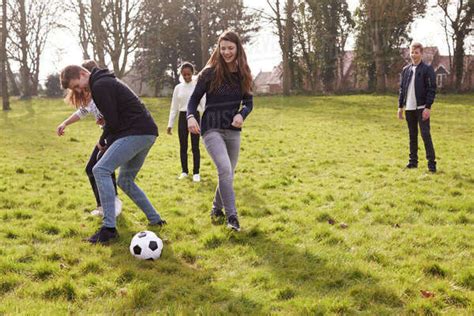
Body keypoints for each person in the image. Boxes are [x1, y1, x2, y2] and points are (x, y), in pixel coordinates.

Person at [60, 64, 166, 244]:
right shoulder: (104, 81)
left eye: (77, 85)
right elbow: (113, 117)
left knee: (99, 169)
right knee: (124, 180)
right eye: (75, 89)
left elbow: (113, 122)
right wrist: (106, 135)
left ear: (83, 73)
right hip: (147, 132)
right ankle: (156, 219)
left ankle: (109, 229)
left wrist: (103, 140)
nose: (79, 90)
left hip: (136, 132)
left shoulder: (100, 85)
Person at [187, 30, 253, 231]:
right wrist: (191, 117)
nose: (226, 52)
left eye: (230, 48)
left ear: (237, 49)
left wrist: (242, 114)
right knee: (224, 169)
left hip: (233, 130)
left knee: (228, 173)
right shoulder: (209, 73)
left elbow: (249, 102)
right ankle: (232, 217)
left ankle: (216, 208)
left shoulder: (243, 73)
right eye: (222, 48)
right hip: (211, 128)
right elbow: (193, 101)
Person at [56, 60, 122, 217]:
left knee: (102, 167)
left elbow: (114, 113)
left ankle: (113, 203)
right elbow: (82, 112)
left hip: (113, 133)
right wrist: (65, 123)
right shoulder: (89, 94)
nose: (80, 89)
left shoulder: (100, 89)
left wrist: (104, 123)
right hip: (107, 132)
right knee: (93, 168)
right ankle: (103, 205)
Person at [398, 42, 437, 173]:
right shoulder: (406, 70)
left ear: (421, 53)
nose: (414, 55)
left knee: (425, 135)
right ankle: (413, 162)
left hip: (422, 108)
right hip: (409, 108)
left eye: (416, 52)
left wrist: (428, 107)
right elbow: (402, 89)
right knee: (412, 135)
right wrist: (400, 107)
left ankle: (432, 165)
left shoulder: (427, 69)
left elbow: (432, 89)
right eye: (412, 52)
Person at [167, 62, 205, 182]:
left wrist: (206, 121)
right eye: (184, 75)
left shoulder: (197, 86)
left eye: (189, 74)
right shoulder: (178, 88)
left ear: (192, 73)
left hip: (195, 116)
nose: (187, 77)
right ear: (181, 74)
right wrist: (170, 124)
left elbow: (203, 104)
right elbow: (174, 107)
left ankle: (196, 172)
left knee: (195, 146)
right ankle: (184, 171)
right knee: (183, 146)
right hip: (183, 117)